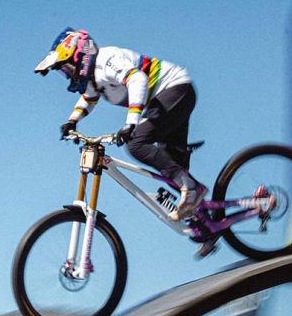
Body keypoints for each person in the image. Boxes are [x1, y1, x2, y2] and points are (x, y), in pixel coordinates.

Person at [35, 27, 217, 256]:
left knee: (137, 144)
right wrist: (72, 121)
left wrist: (131, 123)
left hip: (176, 89)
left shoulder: (107, 60)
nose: (67, 75)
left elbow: (137, 79)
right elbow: (89, 99)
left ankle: (192, 189)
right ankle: (209, 226)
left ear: (79, 56)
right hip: (164, 102)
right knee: (170, 167)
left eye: (65, 68)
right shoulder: (93, 79)